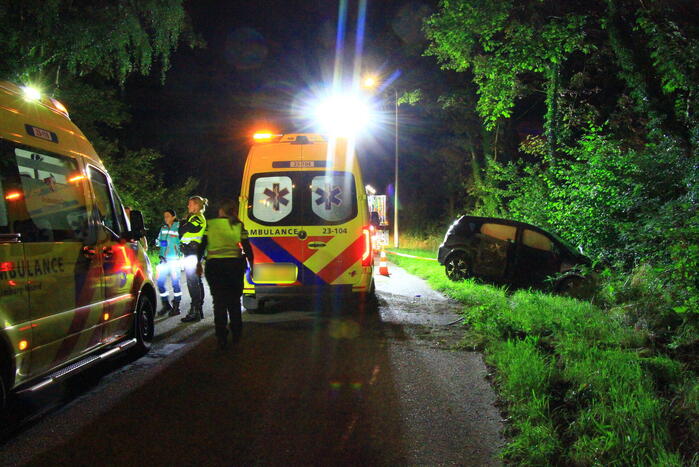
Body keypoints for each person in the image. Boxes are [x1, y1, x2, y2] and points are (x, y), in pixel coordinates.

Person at [203, 199, 254, 349]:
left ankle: (221, 337)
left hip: (215, 267)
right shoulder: (238, 225)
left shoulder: (211, 224)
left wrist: (198, 264)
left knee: (219, 303)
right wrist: (252, 264)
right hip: (234, 267)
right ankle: (237, 333)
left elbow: (202, 244)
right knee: (234, 302)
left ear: (221, 211)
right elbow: (247, 247)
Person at [179, 195, 208, 322]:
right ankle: (198, 310)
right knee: (195, 281)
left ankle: (195, 310)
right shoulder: (192, 218)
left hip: (193, 252)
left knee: (193, 283)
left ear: (196, 205)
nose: (188, 206)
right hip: (190, 252)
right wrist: (184, 224)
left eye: (190, 204)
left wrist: (183, 223)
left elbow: (184, 229)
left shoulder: (198, 218)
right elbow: (183, 230)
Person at [155, 209, 182, 316]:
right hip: (164, 260)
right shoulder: (163, 228)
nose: (165, 218)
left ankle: (176, 306)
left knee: (175, 283)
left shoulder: (179, 227)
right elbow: (158, 242)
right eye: (164, 216)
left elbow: (183, 242)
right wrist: (162, 247)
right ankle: (166, 305)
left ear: (173, 217)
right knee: (160, 283)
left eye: (168, 216)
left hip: (175, 260)